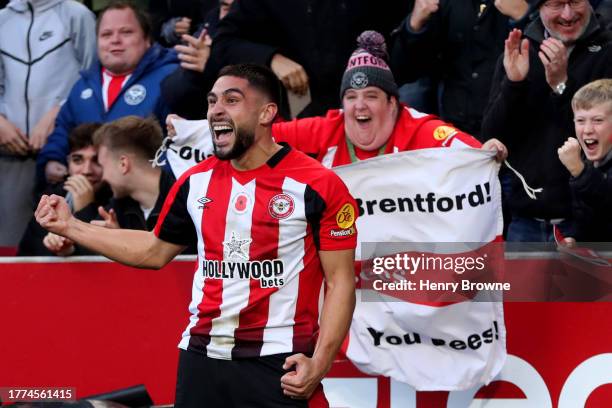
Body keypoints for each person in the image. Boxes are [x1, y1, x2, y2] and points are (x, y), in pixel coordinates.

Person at [35, 64, 357, 407]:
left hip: (278, 362)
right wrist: (71, 226)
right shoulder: (194, 181)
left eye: (232, 100)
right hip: (201, 356)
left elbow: (341, 282)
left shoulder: (318, 184)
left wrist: (320, 362)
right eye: (212, 101)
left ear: (266, 113)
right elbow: (153, 250)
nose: (216, 110)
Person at [273, 31, 508, 167]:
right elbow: (263, 137)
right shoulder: (327, 128)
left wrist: (485, 150)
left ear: (392, 103)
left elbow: (464, 147)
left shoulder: (418, 128)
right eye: (351, 96)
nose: (359, 105)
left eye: (371, 96)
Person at [481, 0, 612, 242]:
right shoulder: (519, 51)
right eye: (556, 4)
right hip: (526, 220)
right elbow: (492, 135)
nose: (567, 13)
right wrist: (513, 85)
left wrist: (562, 86)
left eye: (575, 2)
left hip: (588, 224)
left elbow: (594, 137)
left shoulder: (607, 50)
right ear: (538, 7)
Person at [37, 0, 179, 187]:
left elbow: (180, 146)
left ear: (147, 40)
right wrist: (52, 160)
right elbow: (63, 130)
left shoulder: (172, 79)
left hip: (144, 200)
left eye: (126, 32)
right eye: (106, 34)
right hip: (88, 198)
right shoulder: (82, 86)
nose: (115, 40)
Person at [0, 0, 96, 253]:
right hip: (10, 153)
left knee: (59, 242)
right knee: (11, 247)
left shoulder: (77, 14)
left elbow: (92, 75)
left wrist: (59, 110)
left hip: (62, 153)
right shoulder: (2, 18)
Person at [211, 0, 410, 118]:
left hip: (371, 99)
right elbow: (224, 42)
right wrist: (272, 58)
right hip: (303, 107)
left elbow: (405, 39)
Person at [390, 0, 532, 138]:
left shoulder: (529, 5)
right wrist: (415, 25)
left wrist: (525, 16)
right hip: (453, 129)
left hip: (513, 128)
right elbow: (402, 73)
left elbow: (547, 67)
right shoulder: (446, 4)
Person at [17, 123, 109, 256]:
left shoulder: (120, 198)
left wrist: (85, 210)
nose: (86, 170)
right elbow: (26, 258)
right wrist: (58, 249)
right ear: (68, 163)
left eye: (97, 161)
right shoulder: (51, 197)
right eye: (77, 160)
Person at [558, 78, 612, 242]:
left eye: (598, 120)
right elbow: (590, 218)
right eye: (580, 121)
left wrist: (580, 172)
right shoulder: (586, 162)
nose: (587, 130)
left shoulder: (581, 167)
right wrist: (576, 239)